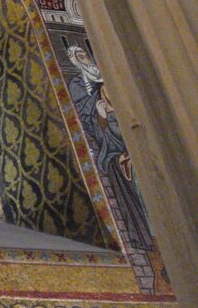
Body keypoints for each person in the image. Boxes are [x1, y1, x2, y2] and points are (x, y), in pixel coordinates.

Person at [67, 45, 153, 251]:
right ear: (74, 61)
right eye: (80, 56)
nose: (85, 58)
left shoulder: (105, 77)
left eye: (85, 54)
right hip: (110, 145)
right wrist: (101, 116)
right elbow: (86, 117)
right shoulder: (78, 84)